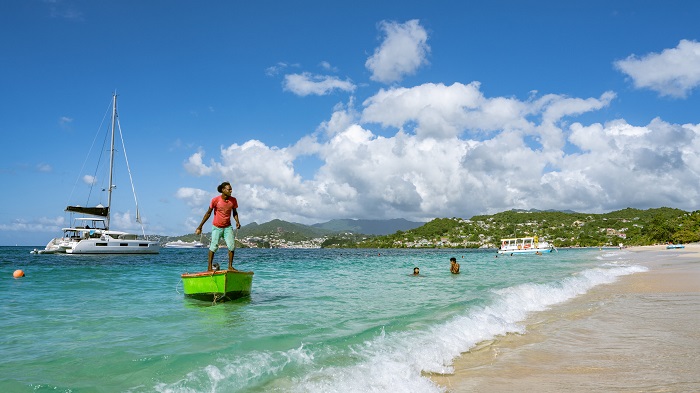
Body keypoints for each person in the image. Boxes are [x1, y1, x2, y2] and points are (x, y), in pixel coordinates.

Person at [195, 181, 241, 271]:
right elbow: (208, 213)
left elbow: (234, 212)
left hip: (228, 227)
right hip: (217, 227)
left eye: (231, 189)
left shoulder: (233, 200)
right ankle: (209, 267)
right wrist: (200, 226)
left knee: (231, 246)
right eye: (229, 189)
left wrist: (237, 221)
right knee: (213, 247)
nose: (231, 191)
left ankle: (230, 266)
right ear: (223, 190)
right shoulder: (215, 200)